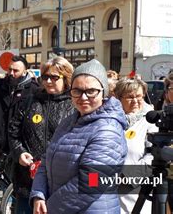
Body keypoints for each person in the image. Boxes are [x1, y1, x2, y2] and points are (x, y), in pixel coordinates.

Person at [30, 59, 128, 213]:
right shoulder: (70, 120)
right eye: (77, 91)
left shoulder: (108, 130)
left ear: (104, 92)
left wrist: (50, 208)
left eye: (91, 91)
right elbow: (46, 159)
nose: (83, 97)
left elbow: (92, 181)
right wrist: (39, 194)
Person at [7, 57, 75, 213]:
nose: (49, 81)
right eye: (45, 77)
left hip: (60, 185)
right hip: (27, 181)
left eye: (54, 77)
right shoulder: (30, 100)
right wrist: (19, 152)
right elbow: (13, 131)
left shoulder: (74, 104)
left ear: (66, 78)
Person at [0, 55, 39, 213]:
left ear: (25, 70)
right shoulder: (0, 85)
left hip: (20, 146)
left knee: (17, 184)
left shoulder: (33, 89)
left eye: (16, 70)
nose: (11, 73)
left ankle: (13, 209)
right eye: (10, 70)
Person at [115, 78, 158, 213]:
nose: (135, 101)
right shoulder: (110, 121)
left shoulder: (150, 122)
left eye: (139, 96)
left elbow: (154, 156)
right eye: (130, 97)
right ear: (118, 98)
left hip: (136, 192)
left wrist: (126, 177)